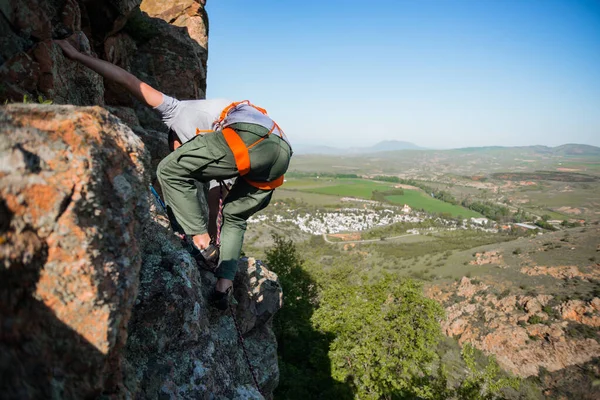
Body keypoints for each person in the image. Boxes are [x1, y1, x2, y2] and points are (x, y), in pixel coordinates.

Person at [56, 38, 292, 309]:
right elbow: (218, 199)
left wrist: (77, 57)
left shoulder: (176, 112)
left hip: (249, 137)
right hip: (280, 153)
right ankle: (223, 288)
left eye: (177, 148)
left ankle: (201, 244)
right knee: (235, 218)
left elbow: (131, 82)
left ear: (175, 140)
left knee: (169, 169)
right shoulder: (218, 147)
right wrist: (214, 238)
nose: (180, 151)